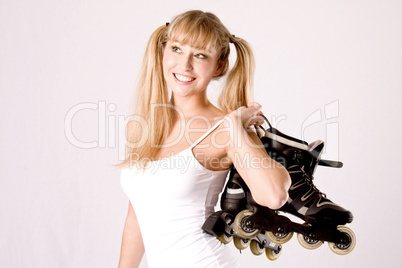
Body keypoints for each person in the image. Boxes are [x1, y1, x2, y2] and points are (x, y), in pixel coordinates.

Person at [117, 10, 291, 268]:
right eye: (176, 49)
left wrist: (234, 127)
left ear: (218, 65)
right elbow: (138, 215)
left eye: (200, 55)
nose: (184, 65)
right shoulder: (141, 127)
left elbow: (274, 195)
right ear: (163, 51)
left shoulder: (228, 129)